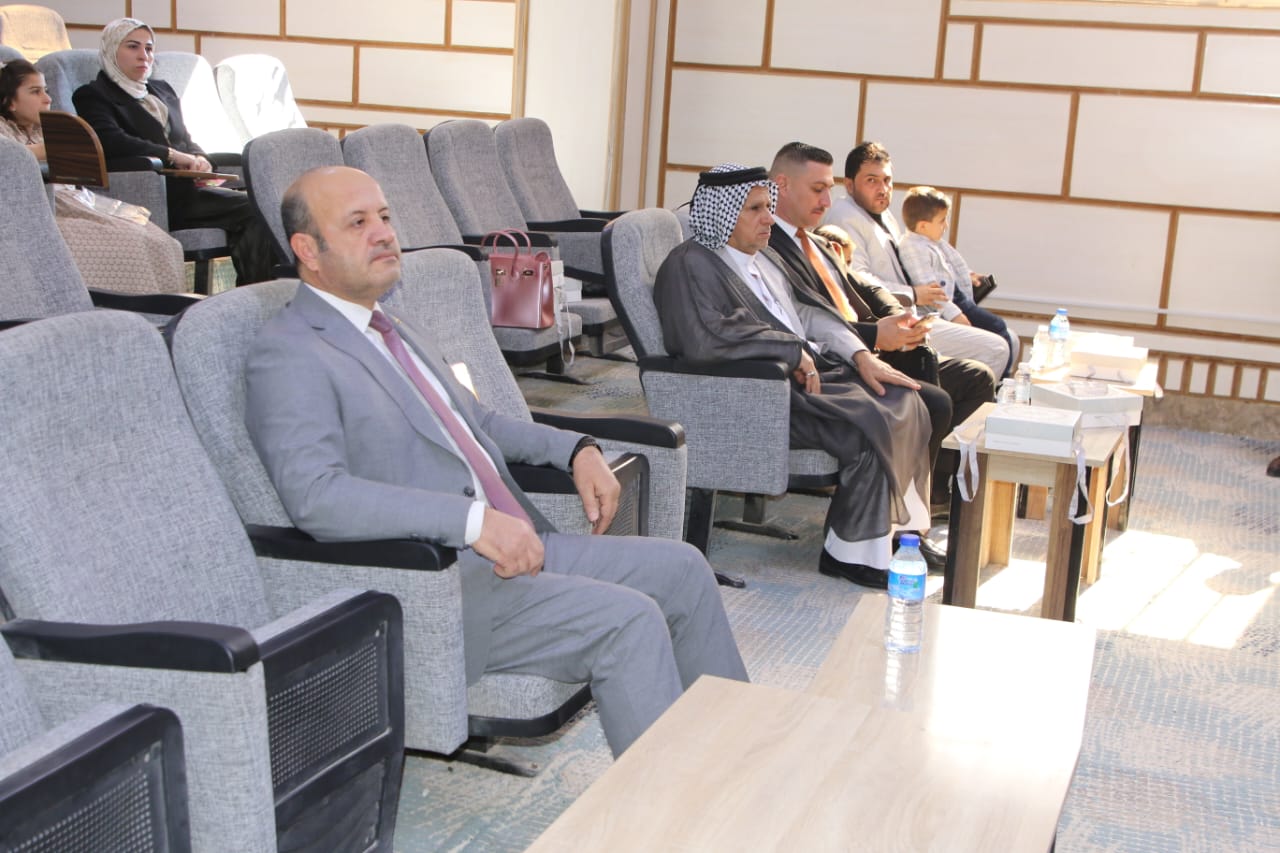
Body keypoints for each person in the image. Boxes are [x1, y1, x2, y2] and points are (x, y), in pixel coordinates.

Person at [243, 165, 747, 758]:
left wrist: (575, 448)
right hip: (441, 585)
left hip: (522, 545)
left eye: (384, 216)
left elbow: (477, 422)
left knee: (684, 569)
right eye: (357, 223)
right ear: (308, 250)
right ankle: (666, 805)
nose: (383, 233)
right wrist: (471, 523)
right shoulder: (290, 352)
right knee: (629, 620)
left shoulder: (392, 324)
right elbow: (317, 497)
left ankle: (737, 759)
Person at [654, 163, 934, 589]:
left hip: (806, 375)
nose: (768, 218)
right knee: (867, 426)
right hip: (758, 392)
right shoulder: (690, 264)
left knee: (905, 398)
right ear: (722, 213)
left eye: (768, 207)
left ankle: (897, 537)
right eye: (754, 209)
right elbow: (703, 339)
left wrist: (860, 355)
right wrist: (790, 351)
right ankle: (850, 554)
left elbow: (806, 313)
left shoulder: (762, 256)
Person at [766, 141, 995, 530]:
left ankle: (933, 498)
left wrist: (897, 319)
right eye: (817, 189)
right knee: (932, 400)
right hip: (837, 363)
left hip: (874, 348)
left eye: (828, 189)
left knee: (976, 378)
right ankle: (901, 521)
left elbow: (867, 288)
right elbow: (799, 324)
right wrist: (874, 336)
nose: (827, 201)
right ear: (783, 185)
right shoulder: (768, 245)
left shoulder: (817, 241)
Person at [72, 18, 272, 285]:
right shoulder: (93, 95)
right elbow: (112, 141)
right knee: (253, 209)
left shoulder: (161, 90)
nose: (144, 56)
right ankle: (256, 294)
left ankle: (255, 290)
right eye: (132, 47)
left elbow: (185, 139)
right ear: (111, 50)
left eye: (149, 48)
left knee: (262, 206)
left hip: (190, 189)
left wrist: (201, 159)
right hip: (154, 194)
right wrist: (171, 155)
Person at [823, 141, 1010, 378]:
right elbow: (857, 280)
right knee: (996, 348)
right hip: (894, 321)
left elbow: (913, 256)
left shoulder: (883, 214)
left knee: (1008, 340)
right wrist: (913, 293)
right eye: (872, 180)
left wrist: (961, 275)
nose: (883, 188)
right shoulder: (844, 216)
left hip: (919, 310)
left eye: (887, 180)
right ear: (849, 185)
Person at [0, 58, 185, 294]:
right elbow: (12, 158)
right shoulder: (4, 131)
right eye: (35, 92)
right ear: (9, 101)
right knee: (127, 243)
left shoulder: (46, 128)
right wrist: (50, 149)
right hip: (45, 211)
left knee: (160, 240)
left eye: (46, 91)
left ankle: (167, 306)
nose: (47, 99)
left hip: (75, 201)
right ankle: (124, 305)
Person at [898, 185, 1018, 375]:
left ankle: (1002, 377)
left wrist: (969, 275)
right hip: (950, 304)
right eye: (942, 221)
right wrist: (955, 315)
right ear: (923, 226)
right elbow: (931, 290)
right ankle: (1001, 380)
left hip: (957, 298)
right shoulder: (913, 249)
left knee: (1001, 331)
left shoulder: (930, 241)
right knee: (997, 327)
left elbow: (948, 263)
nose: (945, 226)